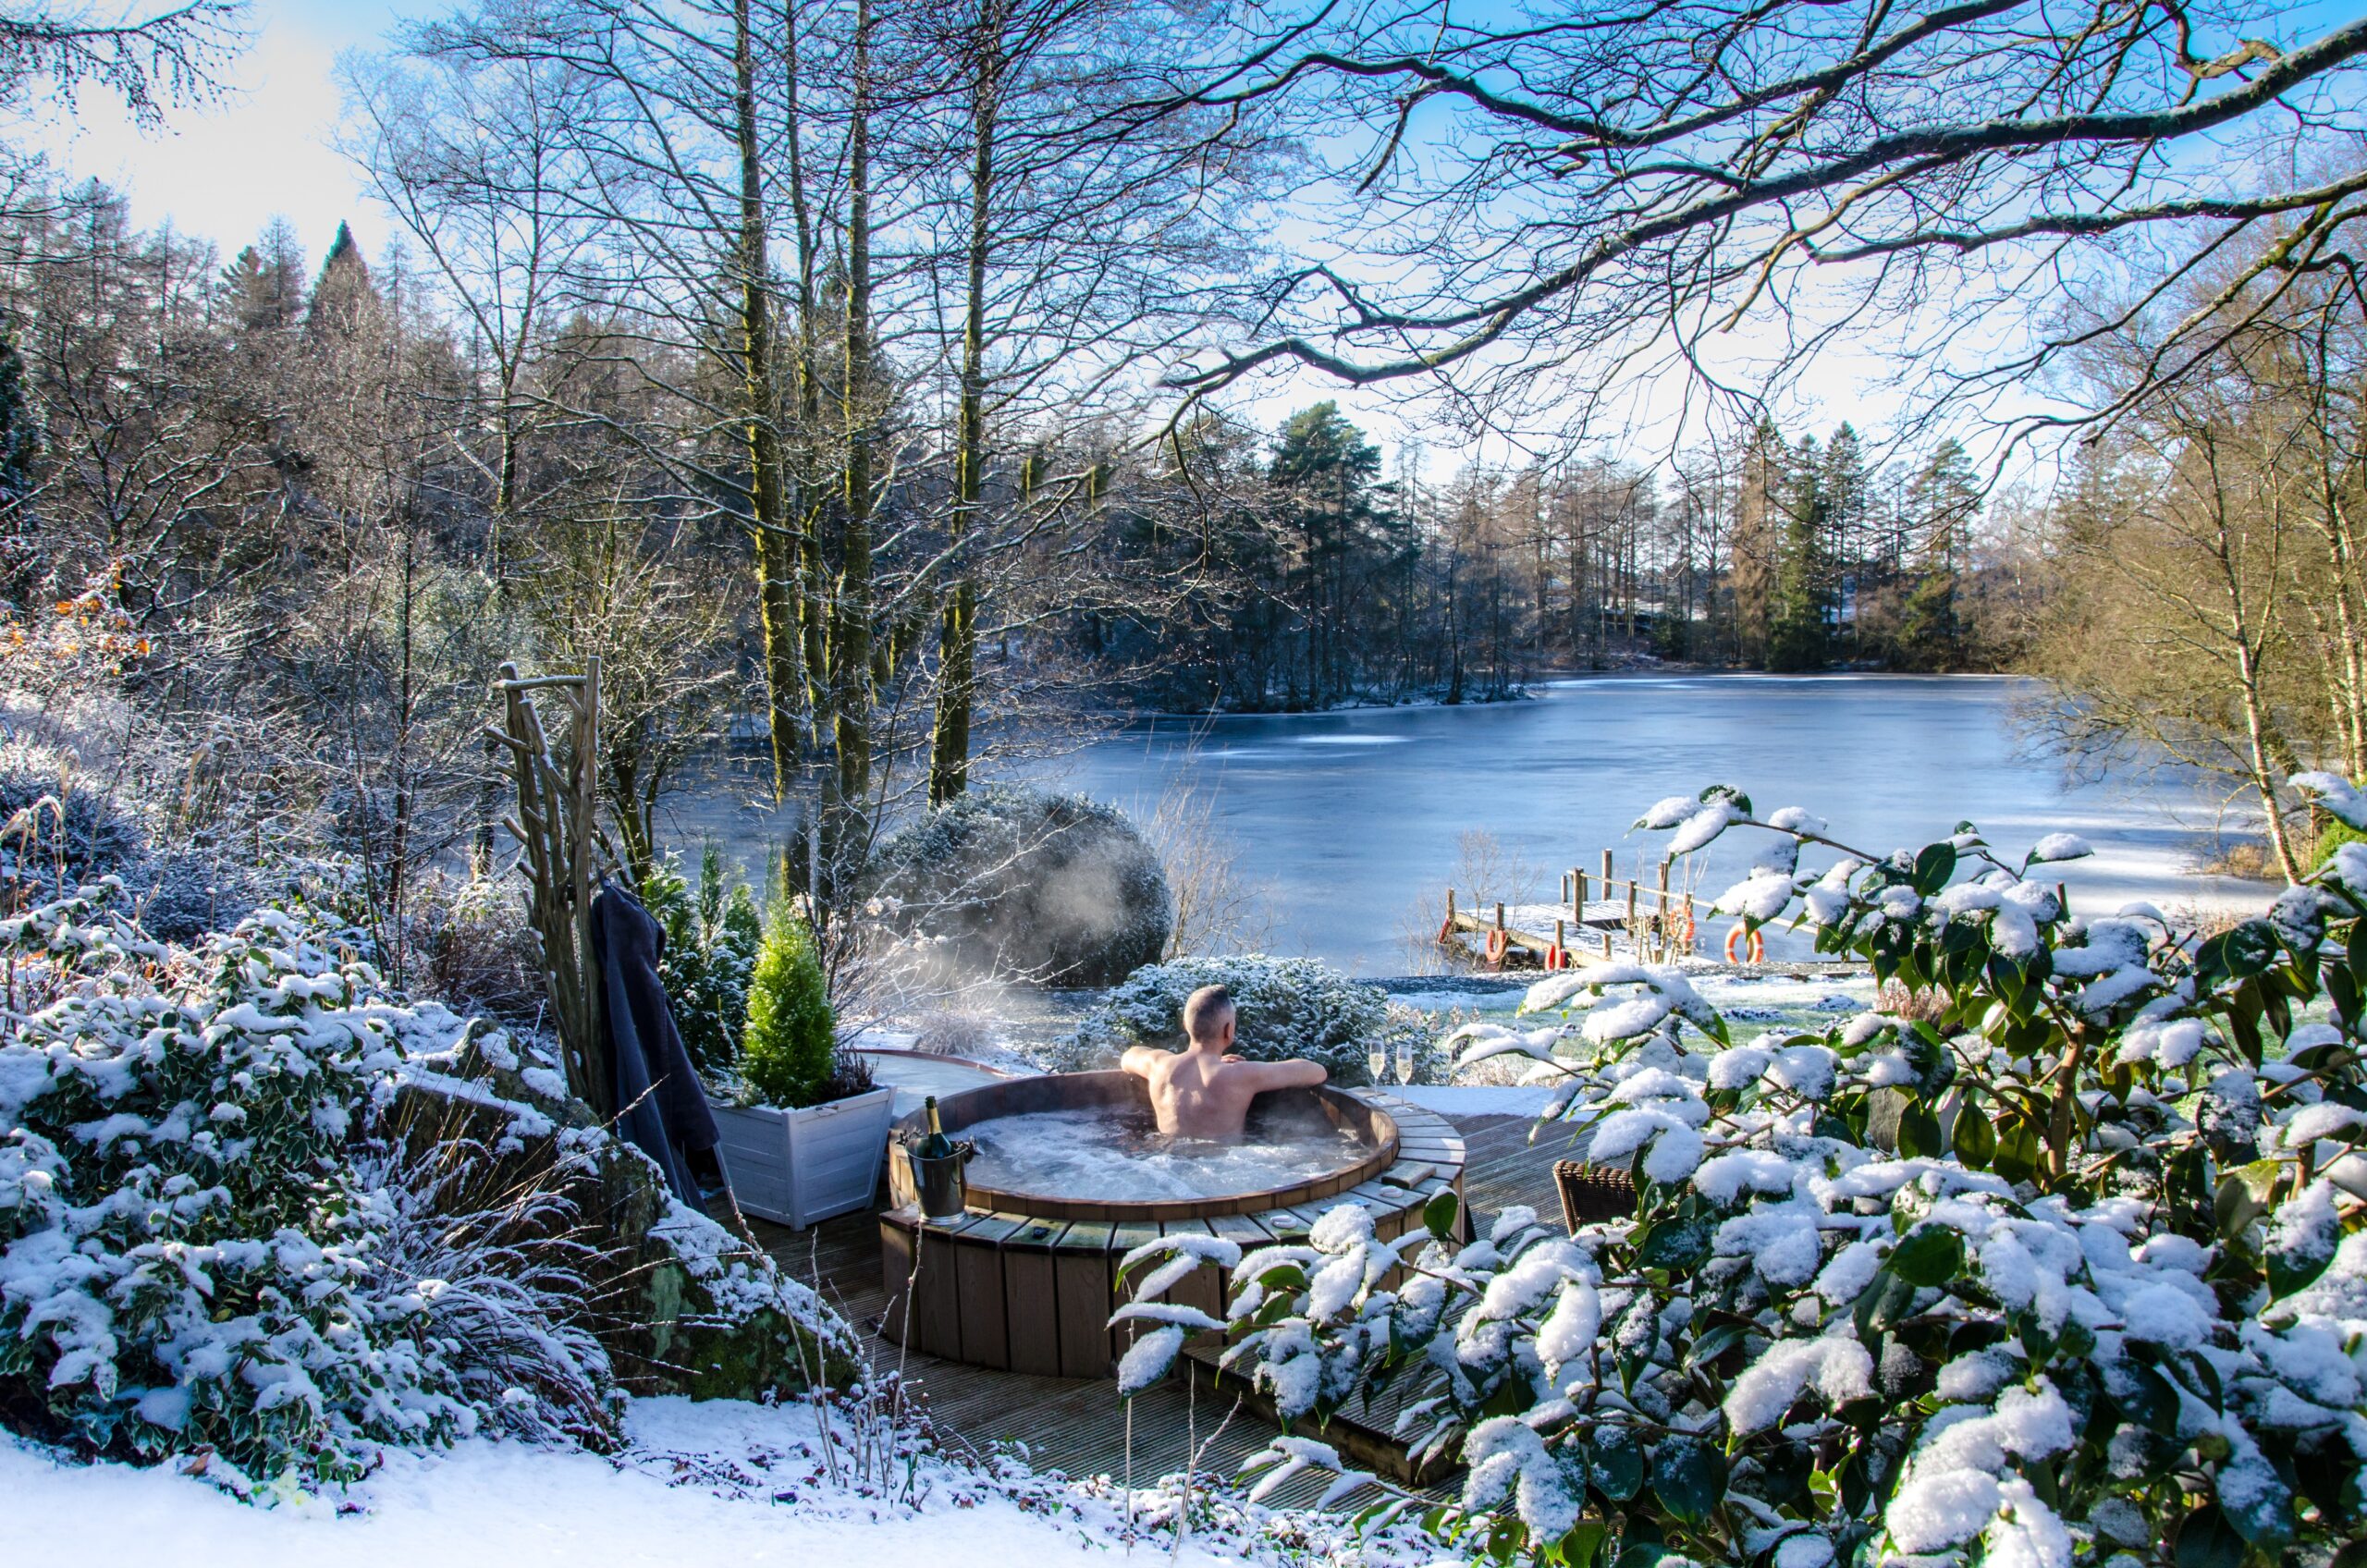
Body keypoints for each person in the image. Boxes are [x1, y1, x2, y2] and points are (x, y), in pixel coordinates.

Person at [1121, 984, 1328, 1139]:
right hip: (1220, 1171)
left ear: (1185, 1025)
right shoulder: (1240, 1075)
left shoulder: (1159, 1065)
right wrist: (1223, 1065)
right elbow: (1316, 1072)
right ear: (1228, 1030)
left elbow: (1128, 1056)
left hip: (1163, 1167)